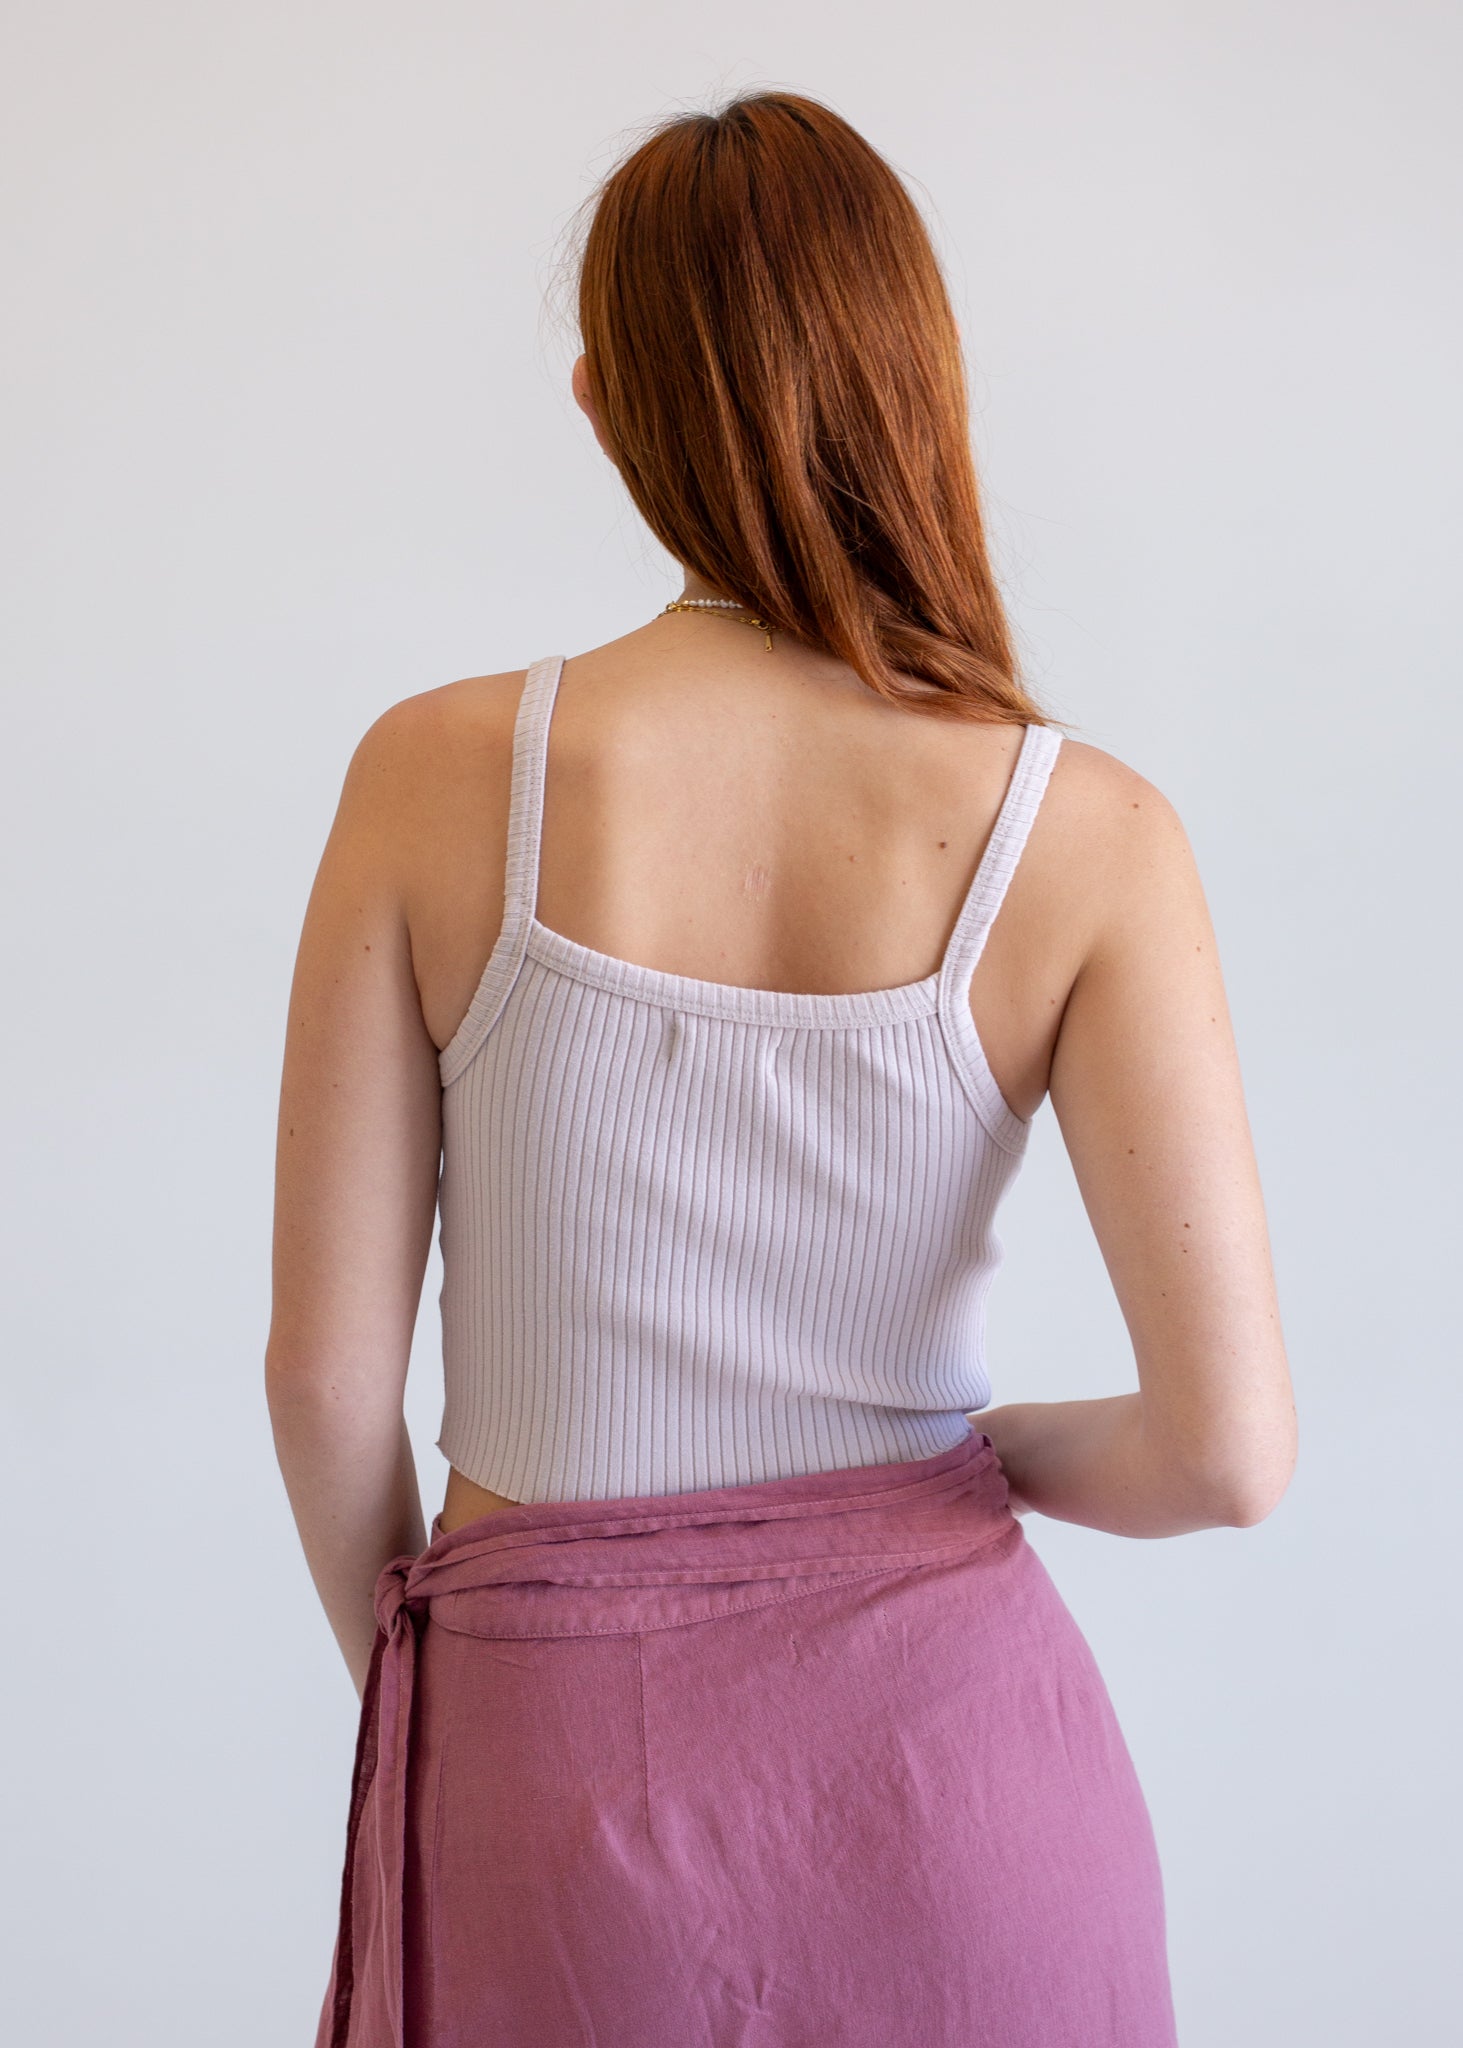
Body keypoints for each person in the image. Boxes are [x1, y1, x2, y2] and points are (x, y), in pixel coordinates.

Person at [267, 89, 1296, 2048]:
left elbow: (319, 1378)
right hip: (971, 1774)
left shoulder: (434, 776)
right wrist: (952, 1471)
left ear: (602, 402)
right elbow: (1229, 1453)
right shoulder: (1087, 832)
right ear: (915, 372)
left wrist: (454, 1691)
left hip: (554, 1754)